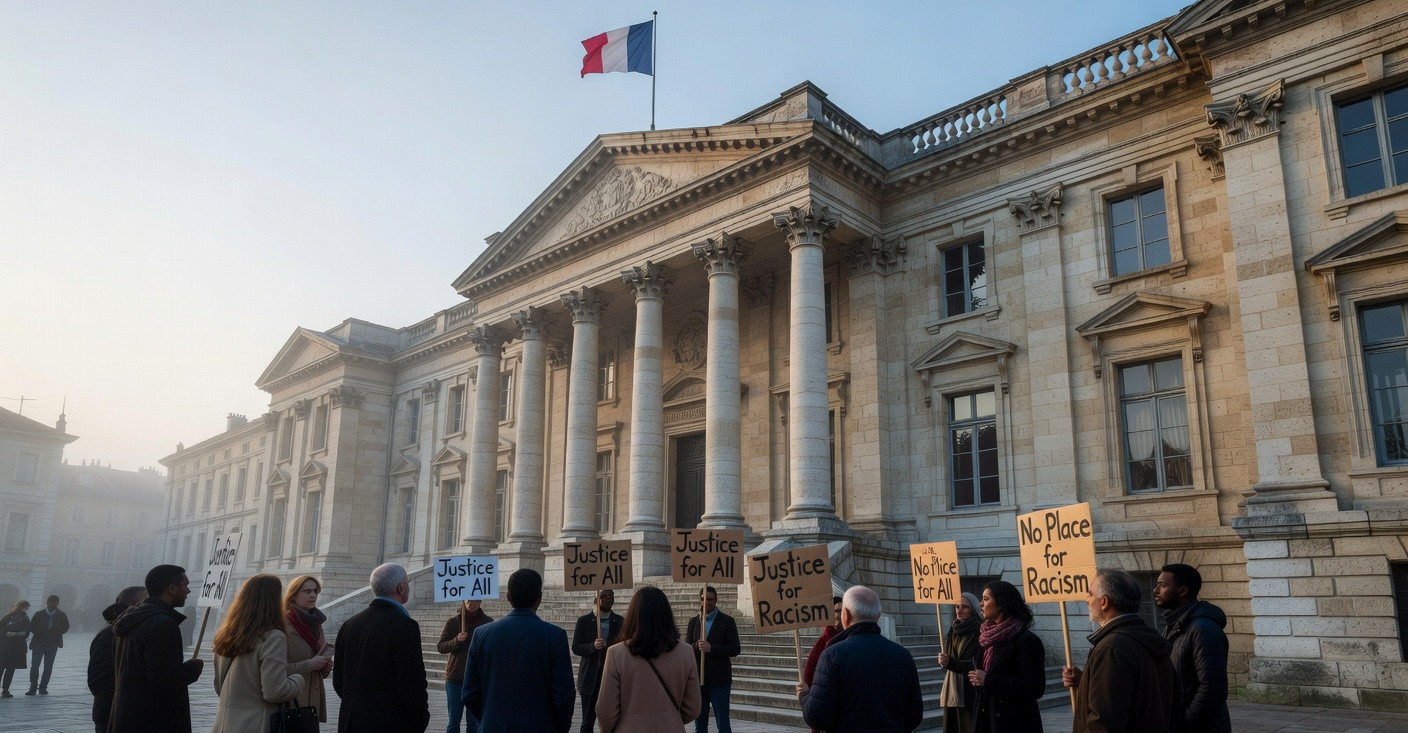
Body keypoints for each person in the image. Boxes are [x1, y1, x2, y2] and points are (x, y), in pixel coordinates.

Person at [1062, 568, 1179, 733]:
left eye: (1090, 594)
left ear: (1104, 602)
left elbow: (1104, 722)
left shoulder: (1112, 648)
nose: (1086, 600)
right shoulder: (1148, 638)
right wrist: (1086, 681)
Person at [795, 586, 923, 733]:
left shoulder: (831, 655)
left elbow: (817, 717)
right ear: (878, 616)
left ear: (845, 615)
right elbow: (914, 716)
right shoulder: (904, 655)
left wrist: (804, 696)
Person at [463, 568, 574, 733]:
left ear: (508, 597)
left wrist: (490, 718)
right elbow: (563, 696)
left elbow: (469, 693)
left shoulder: (481, 634)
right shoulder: (554, 636)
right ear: (540, 598)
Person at [333, 562, 430, 733]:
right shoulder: (405, 626)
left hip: (351, 720)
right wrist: (420, 720)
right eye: (407, 584)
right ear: (401, 588)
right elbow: (411, 683)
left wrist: (360, 705)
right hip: (390, 723)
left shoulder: (349, 625)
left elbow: (338, 680)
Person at [109, 565, 205, 733]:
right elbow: (164, 679)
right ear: (172, 588)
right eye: (185, 585)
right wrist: (193, 668)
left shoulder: (133, 619)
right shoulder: (163, 624)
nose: (188, 591)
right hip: (155, 719)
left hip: (127, 716)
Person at [595, 585, 701, 733]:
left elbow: (606, 711)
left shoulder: (616, 653)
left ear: (633, 614)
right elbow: (693, 707)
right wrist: (670, 718)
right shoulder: (686, 652)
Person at [210, 574, 305, 732]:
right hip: (255, 724)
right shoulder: (273, 637)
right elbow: (274, 692)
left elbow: (219, 686)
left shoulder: (225, 635)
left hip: (223, 726)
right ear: (273, 601)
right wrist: (298, 680)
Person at [1155, 563, 1230, 733]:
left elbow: (1212, 689)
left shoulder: (1203, 628)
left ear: (1182, 591)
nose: (1155, 590)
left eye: (1162, 585)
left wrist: (1185, 723)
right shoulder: (1174, 624)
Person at [970, 580, 1045, 733]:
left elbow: (1034, 687)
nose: (980, 604)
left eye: (986, 599)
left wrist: (988, 679)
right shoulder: (985, 638)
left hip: (1014, 723)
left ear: (1001, 603)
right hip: (987, 720)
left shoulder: (1027, 640)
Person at [88, 586, 146, 733]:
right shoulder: (111, 633)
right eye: (147, 602)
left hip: (125, 714)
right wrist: (127, 702)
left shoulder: (127, 629)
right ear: (133, 605)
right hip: (112, 716)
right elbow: (99, 681)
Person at [684, 586, 740, 733]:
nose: (706, 603)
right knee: (700, 726)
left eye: (709, 600)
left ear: (715, 600)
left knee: (723, 725)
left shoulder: (727, 621)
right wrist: (697, 646)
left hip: (719, 682)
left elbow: (735, 648)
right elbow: (687, 647)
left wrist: (712, 648)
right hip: (699, 682)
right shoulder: (694, 621)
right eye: (703, 599)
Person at [284, 575, 335, 727]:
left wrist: (325, 666)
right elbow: (275, 669)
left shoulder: (316, 624)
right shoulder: (283, 624)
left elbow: (319, 668)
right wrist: (311, 664)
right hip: (291, 702)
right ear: (293, 594)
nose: (312, 595)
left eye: (315, 591)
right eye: (307, 591)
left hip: (312, 702)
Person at [438, 598, 493, 733]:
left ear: (480, 601)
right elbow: (441, 646)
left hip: (476, 679)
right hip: (455, 678)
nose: (472, 603)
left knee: (474, 722)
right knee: (453, 722)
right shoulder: (453, 622)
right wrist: (456, 640)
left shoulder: (488, 623)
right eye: (469, 600)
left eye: (476, 600)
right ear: (463, 601)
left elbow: (492, 649)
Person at [572, 588, 623, 733]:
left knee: (612, 721)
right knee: (587, 722)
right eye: (604, 596)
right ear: (597, 599)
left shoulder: (620, 621)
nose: (609, 598)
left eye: (611, 596)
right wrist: (592, 646)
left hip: (612, 677)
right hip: (590, 678)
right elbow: (576, 647)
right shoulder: (584, 621)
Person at [936, 592, 982, 733]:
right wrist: (944, 661)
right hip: (953, 687)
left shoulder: (979, 630)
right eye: (957, 606)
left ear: (973, 610)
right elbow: (951, 656)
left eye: (964, 607)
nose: (959, 610)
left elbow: (977, 663)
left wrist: (951, 663)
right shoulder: (953, 629)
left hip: (969, 689)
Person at [26, 593, 69, 695]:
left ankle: (43, 687)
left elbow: (66, 626)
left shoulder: (61, 615)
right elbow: (32, 626)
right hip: (39, 642)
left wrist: (57, 632)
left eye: (55, 602)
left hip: (53, 643)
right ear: (47, 603)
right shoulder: (39, 614)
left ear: (57, 603)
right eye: (51, 602)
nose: (53, 604)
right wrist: (40, 631)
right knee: (35, 665)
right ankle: (33, 687)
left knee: (48, 666)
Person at [0, 600, 30, 698]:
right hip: (8, 647)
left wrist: (13, 634)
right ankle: (5, 690)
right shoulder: (10, 617)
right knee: (7, 669)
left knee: (8, 669)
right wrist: (11, 634)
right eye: (26, 608)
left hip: (10, 647)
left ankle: (5, 690)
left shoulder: (9, 617)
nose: (27, 610)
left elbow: (26, 632)